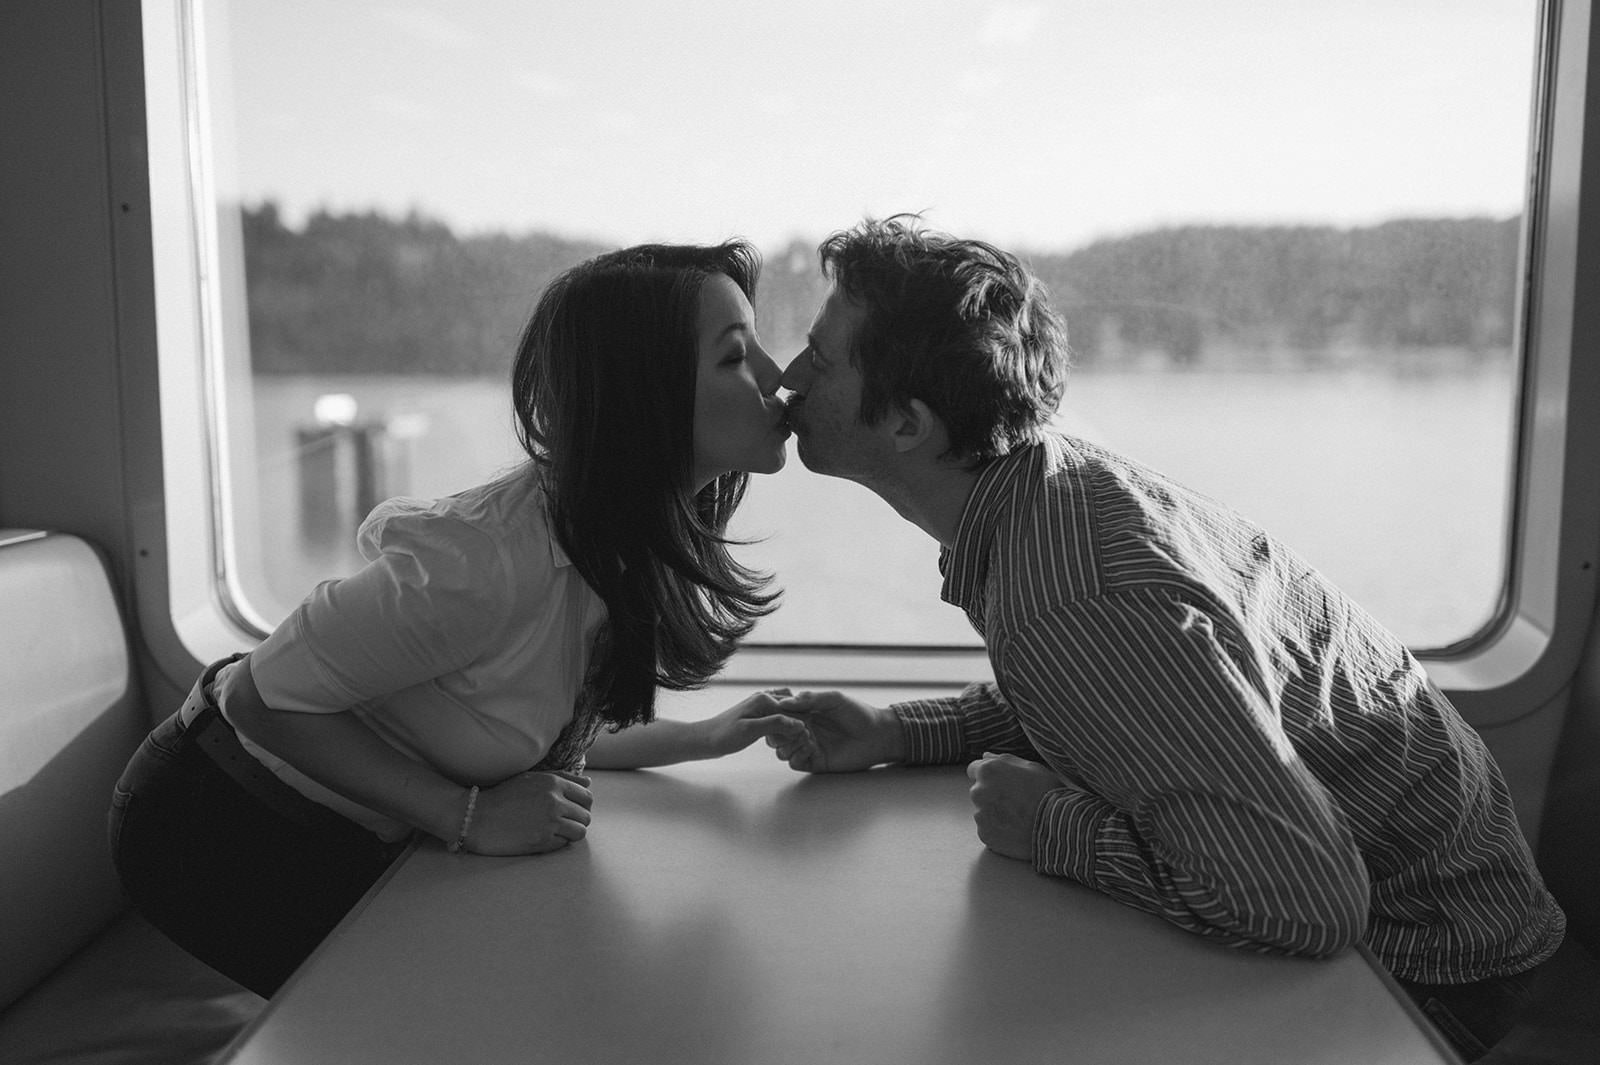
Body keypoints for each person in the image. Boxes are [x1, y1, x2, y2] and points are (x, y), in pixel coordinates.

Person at [768, 215, 1570, 1062]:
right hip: (1430, 918)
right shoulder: (1048, 486)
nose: (788, 377)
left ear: (907, 424)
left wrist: (1050, 825)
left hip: (1433, 967)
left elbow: (1312, 902)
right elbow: (1131, 699)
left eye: (820, 359)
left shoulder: (1065, 590)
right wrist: (901, 730)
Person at [108, 240, 805, 998]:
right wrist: (468, 817)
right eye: (736, 357)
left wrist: (705, 738)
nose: (778, 377)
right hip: (220, 823)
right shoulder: (484, 563)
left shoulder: (621, 542)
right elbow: (257, 695)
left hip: (340, 830)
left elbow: (529, 720)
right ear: (647, 396)